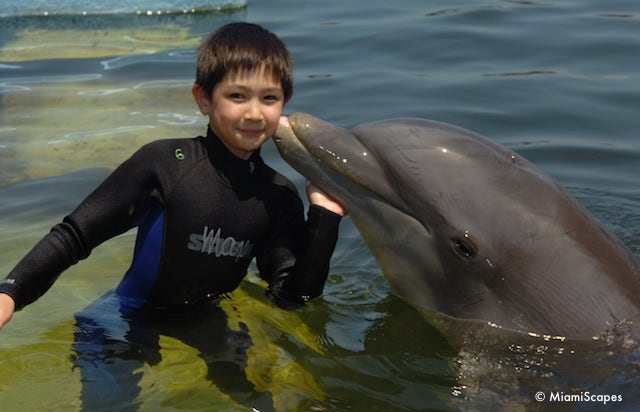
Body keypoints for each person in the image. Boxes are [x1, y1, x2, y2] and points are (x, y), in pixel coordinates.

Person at [0, 22, 344, 409]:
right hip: (123, 316)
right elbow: (74, 236)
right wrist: (10, 293)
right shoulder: (165, 163)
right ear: (203, 98)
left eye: (269, 98)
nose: (253, 112)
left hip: (207, 317)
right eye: (236, 95)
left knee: (260, 403)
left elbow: (291, 297)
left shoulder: (278, 196)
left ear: (286, 101)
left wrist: (324, 218)